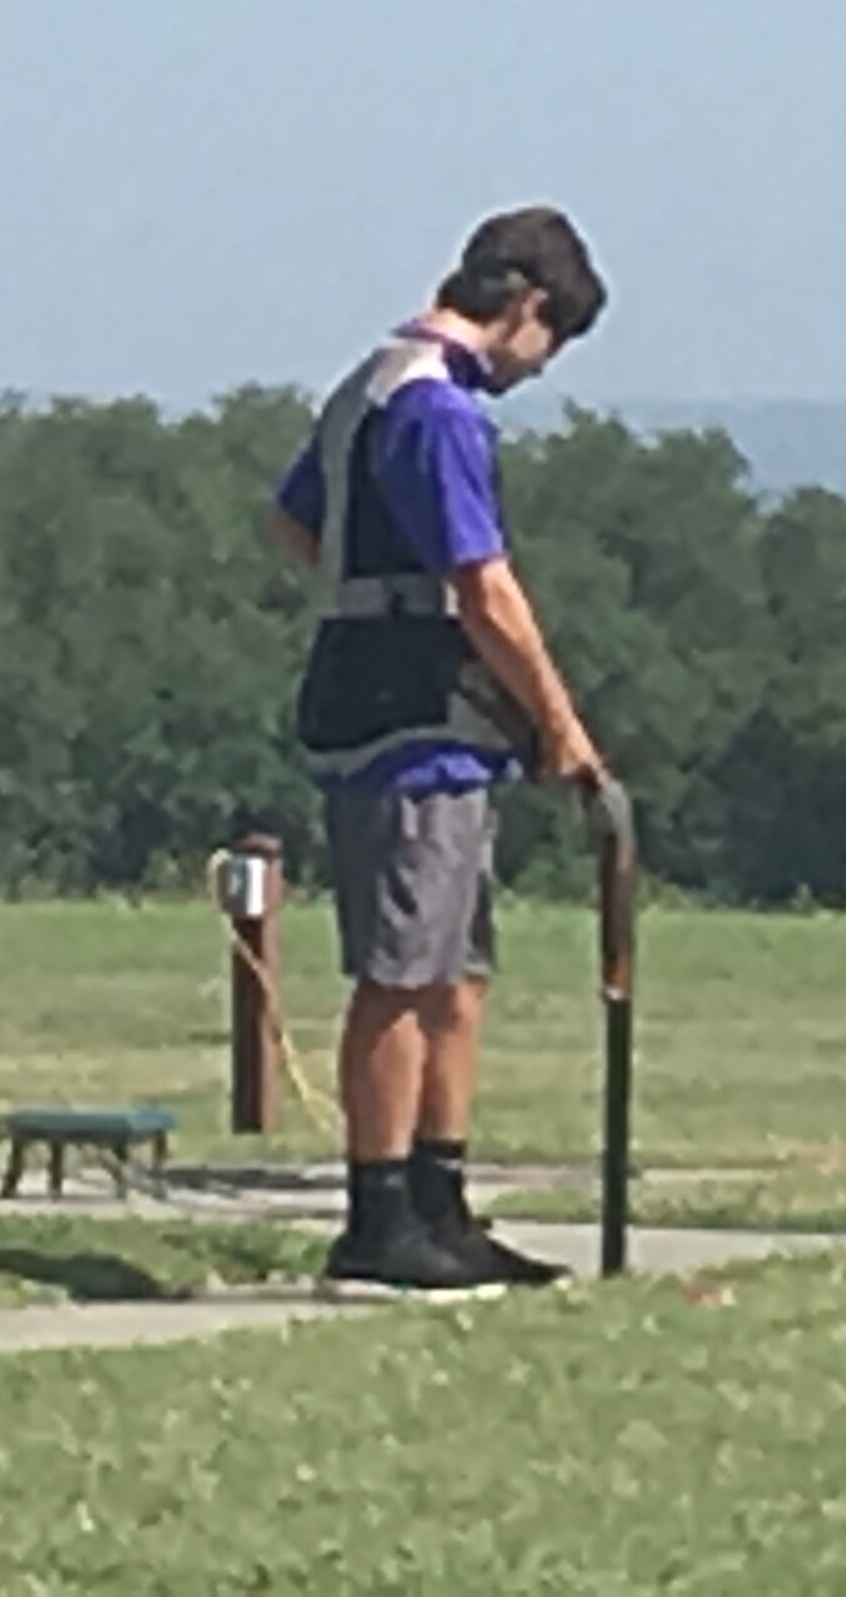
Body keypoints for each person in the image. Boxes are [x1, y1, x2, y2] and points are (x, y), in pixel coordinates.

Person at [270, 205, 611, 1291]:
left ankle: (440, 1199)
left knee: (459, 972)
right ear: (523, 306)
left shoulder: (373, 381)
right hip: (409, 715)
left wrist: (352, 588)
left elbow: (291, 521)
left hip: (431, 715)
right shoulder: (437, 410)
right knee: (404, 972)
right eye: (550, 339)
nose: (539, 365)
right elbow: (485, 584)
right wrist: (560, 724)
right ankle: (377, 1215)